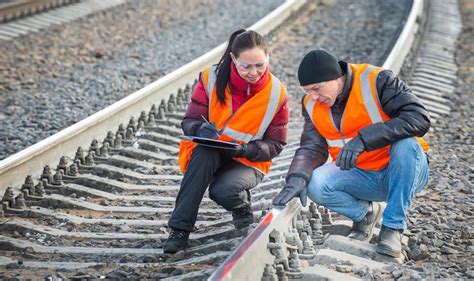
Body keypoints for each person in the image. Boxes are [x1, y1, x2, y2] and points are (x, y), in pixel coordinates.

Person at [273, 50, 430, 258]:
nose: (313, 97)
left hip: (404, 171)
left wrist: (364, 139)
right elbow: (312, 147)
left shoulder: (378, 80)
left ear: (336, 77)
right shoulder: (311, 105)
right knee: (315, 183)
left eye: (317, 89)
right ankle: (365, 215)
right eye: (307, 91)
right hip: (364, 177)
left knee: (407, 145)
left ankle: (392, 228)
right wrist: (296, 177)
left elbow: (419, 118)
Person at [163, 29, 289, 254]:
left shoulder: (277, 92)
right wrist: (200, 129)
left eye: (260, 64)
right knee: (203, 152)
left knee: (223, 191)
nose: (254, 72)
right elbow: (189, 121)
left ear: (268, 58)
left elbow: (276, 144)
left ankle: (241, 208)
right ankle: (179, 231)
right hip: (210, 154)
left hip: (247, 161)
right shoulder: (210, 78)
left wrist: (246, 149)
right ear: (233, 59)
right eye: (246, 66)